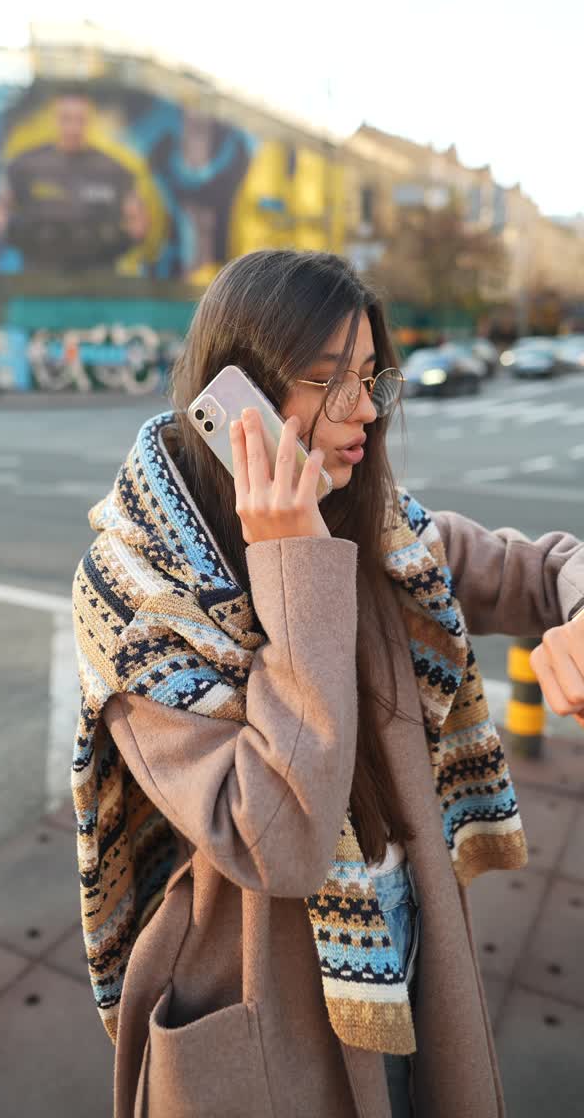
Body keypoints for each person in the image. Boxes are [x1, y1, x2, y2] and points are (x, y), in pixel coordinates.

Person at [71, 250, 584, 1118]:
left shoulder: (384, 531)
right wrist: (295, 564)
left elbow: (544, 567)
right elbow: (280, 843)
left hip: (411, 929)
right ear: (235, 393)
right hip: (263, 1001)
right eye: (324, 379)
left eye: (371, 379)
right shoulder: (137, 599)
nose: (366, 411)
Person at [0, 91, 149, 270]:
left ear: (88, 121)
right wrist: (22, 239)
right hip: (39, 275)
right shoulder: (26, 165)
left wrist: (112, 246)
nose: (73, 127)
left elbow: (138, 223)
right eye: (66, 118)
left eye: (80, 119)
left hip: (98, 276)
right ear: (55, 120)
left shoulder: (113, 170)